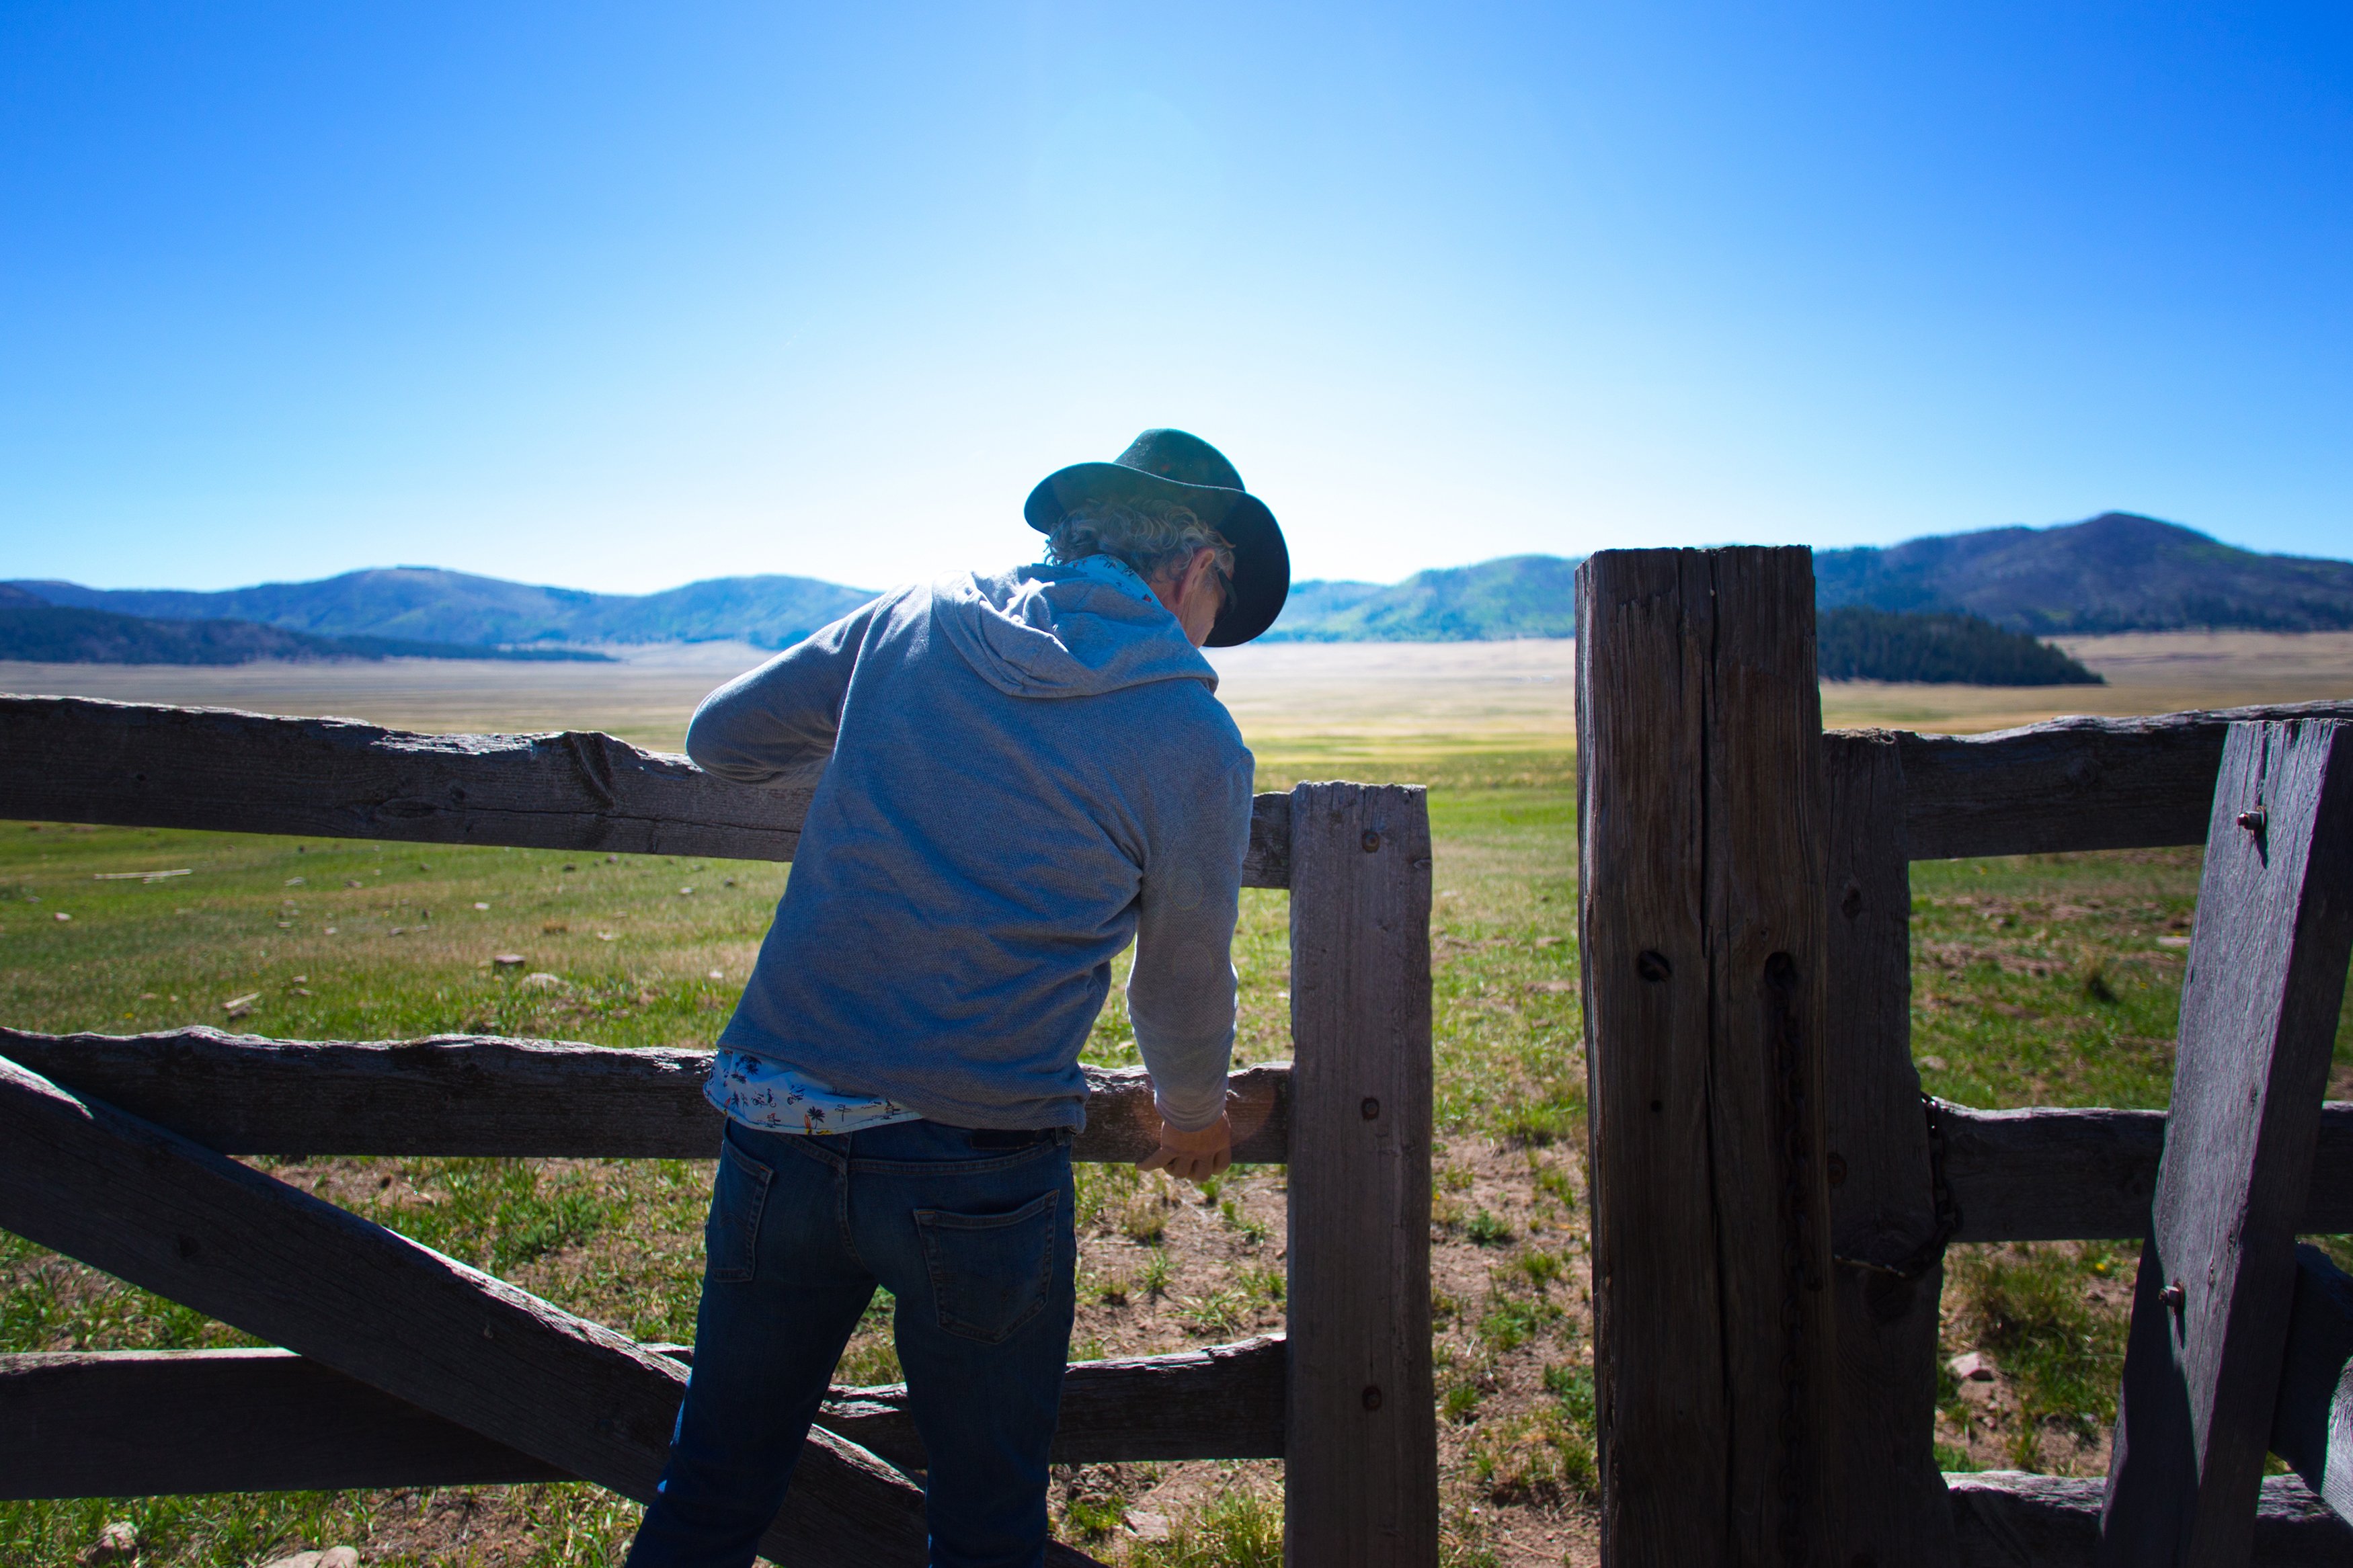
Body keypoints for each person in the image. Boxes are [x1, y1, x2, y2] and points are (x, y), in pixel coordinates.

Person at [624, 429, 1291, 1568]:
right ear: (1194, 568)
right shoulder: (1193, 738)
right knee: (985, 1525)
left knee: (712, 1488)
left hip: (778, 1119)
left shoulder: (916, 615)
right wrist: (1192, 1115)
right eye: (1222, 594)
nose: (1213, 626)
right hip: (975, 1164)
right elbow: (1182, 972)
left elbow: (721, 737)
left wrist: (895, 741)